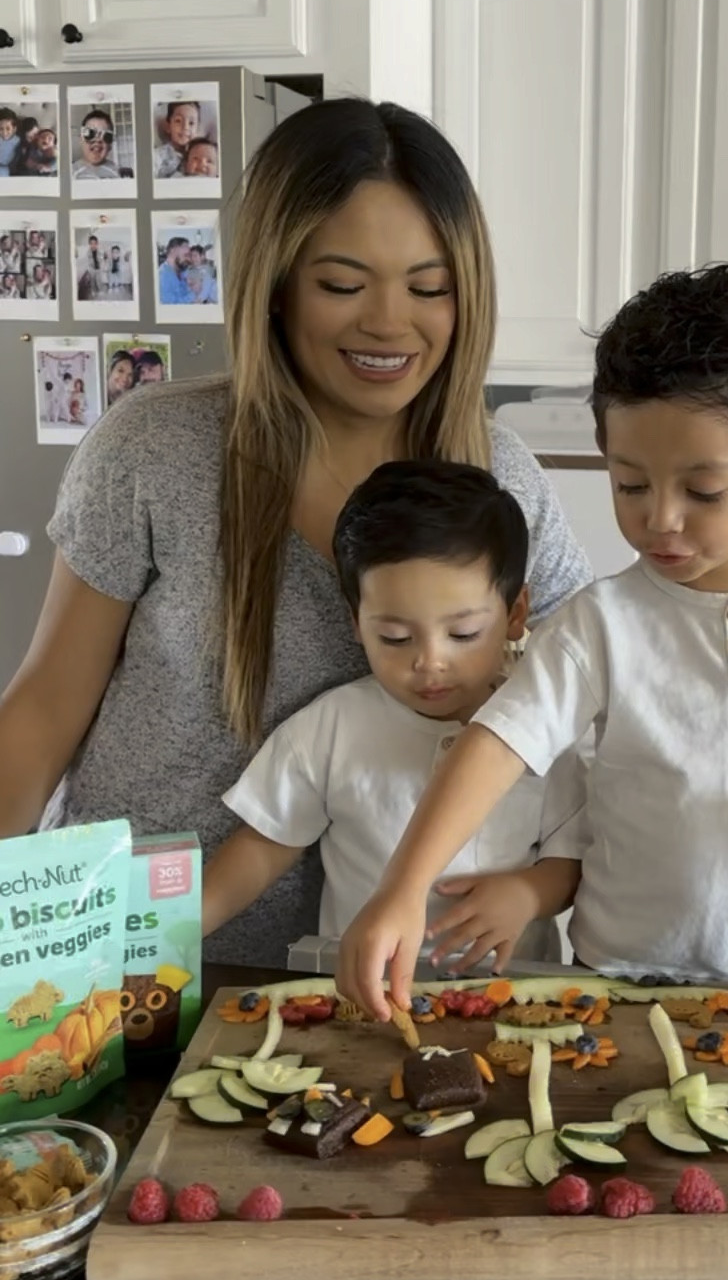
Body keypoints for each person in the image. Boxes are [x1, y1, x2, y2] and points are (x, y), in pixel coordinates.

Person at [0, 98, 590, 968]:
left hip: (359, 983)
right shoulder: (153, 449)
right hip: (127, 946)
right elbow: (47, 705)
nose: (390, 323)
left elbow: (593, 690)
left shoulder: (500, 480)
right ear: (274, 285)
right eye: (343, 285)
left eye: (429, 288)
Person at [339, 263, 728, 1025]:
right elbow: (495, 746)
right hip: (612, 985)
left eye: (702, 491)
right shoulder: (601, 622)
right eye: (630, 484)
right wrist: (402, 887)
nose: (661, 520)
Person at [203, 462, 584, 967]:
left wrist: (528, 894)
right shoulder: (332, 727)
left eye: (463, 634)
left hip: (508, 996)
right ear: (355, 620)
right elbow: (264, 845)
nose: (429, 661)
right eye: (396, 639)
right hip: (366, 996)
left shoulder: (545, 726)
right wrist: (176, 927)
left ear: (516, 613)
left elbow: (571, 858)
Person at [71, 109, 121, 183]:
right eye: (90, 133)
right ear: (81, 139)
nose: (97, 140)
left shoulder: (118, 174)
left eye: (106, 136)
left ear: (110, 146)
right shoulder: (71, 173)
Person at [154, 100, 200, 178]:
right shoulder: (159, 155)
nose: (185, 127)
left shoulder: (202, 155)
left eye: (191, 123)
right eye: (178, 121)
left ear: (197, 130)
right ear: (168, 126)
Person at [156, 236, 191, 306]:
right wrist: (194, 296)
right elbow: (170, 306)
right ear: (173, 250)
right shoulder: (163, 275)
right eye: (185, 255)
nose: (188, 259)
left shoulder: (181, 271)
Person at [0, 109, 20, 176]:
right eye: (1, 129)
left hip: (4, 167)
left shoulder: (17, 141)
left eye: (8, 128)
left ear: (14, 129)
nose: (4, 133)